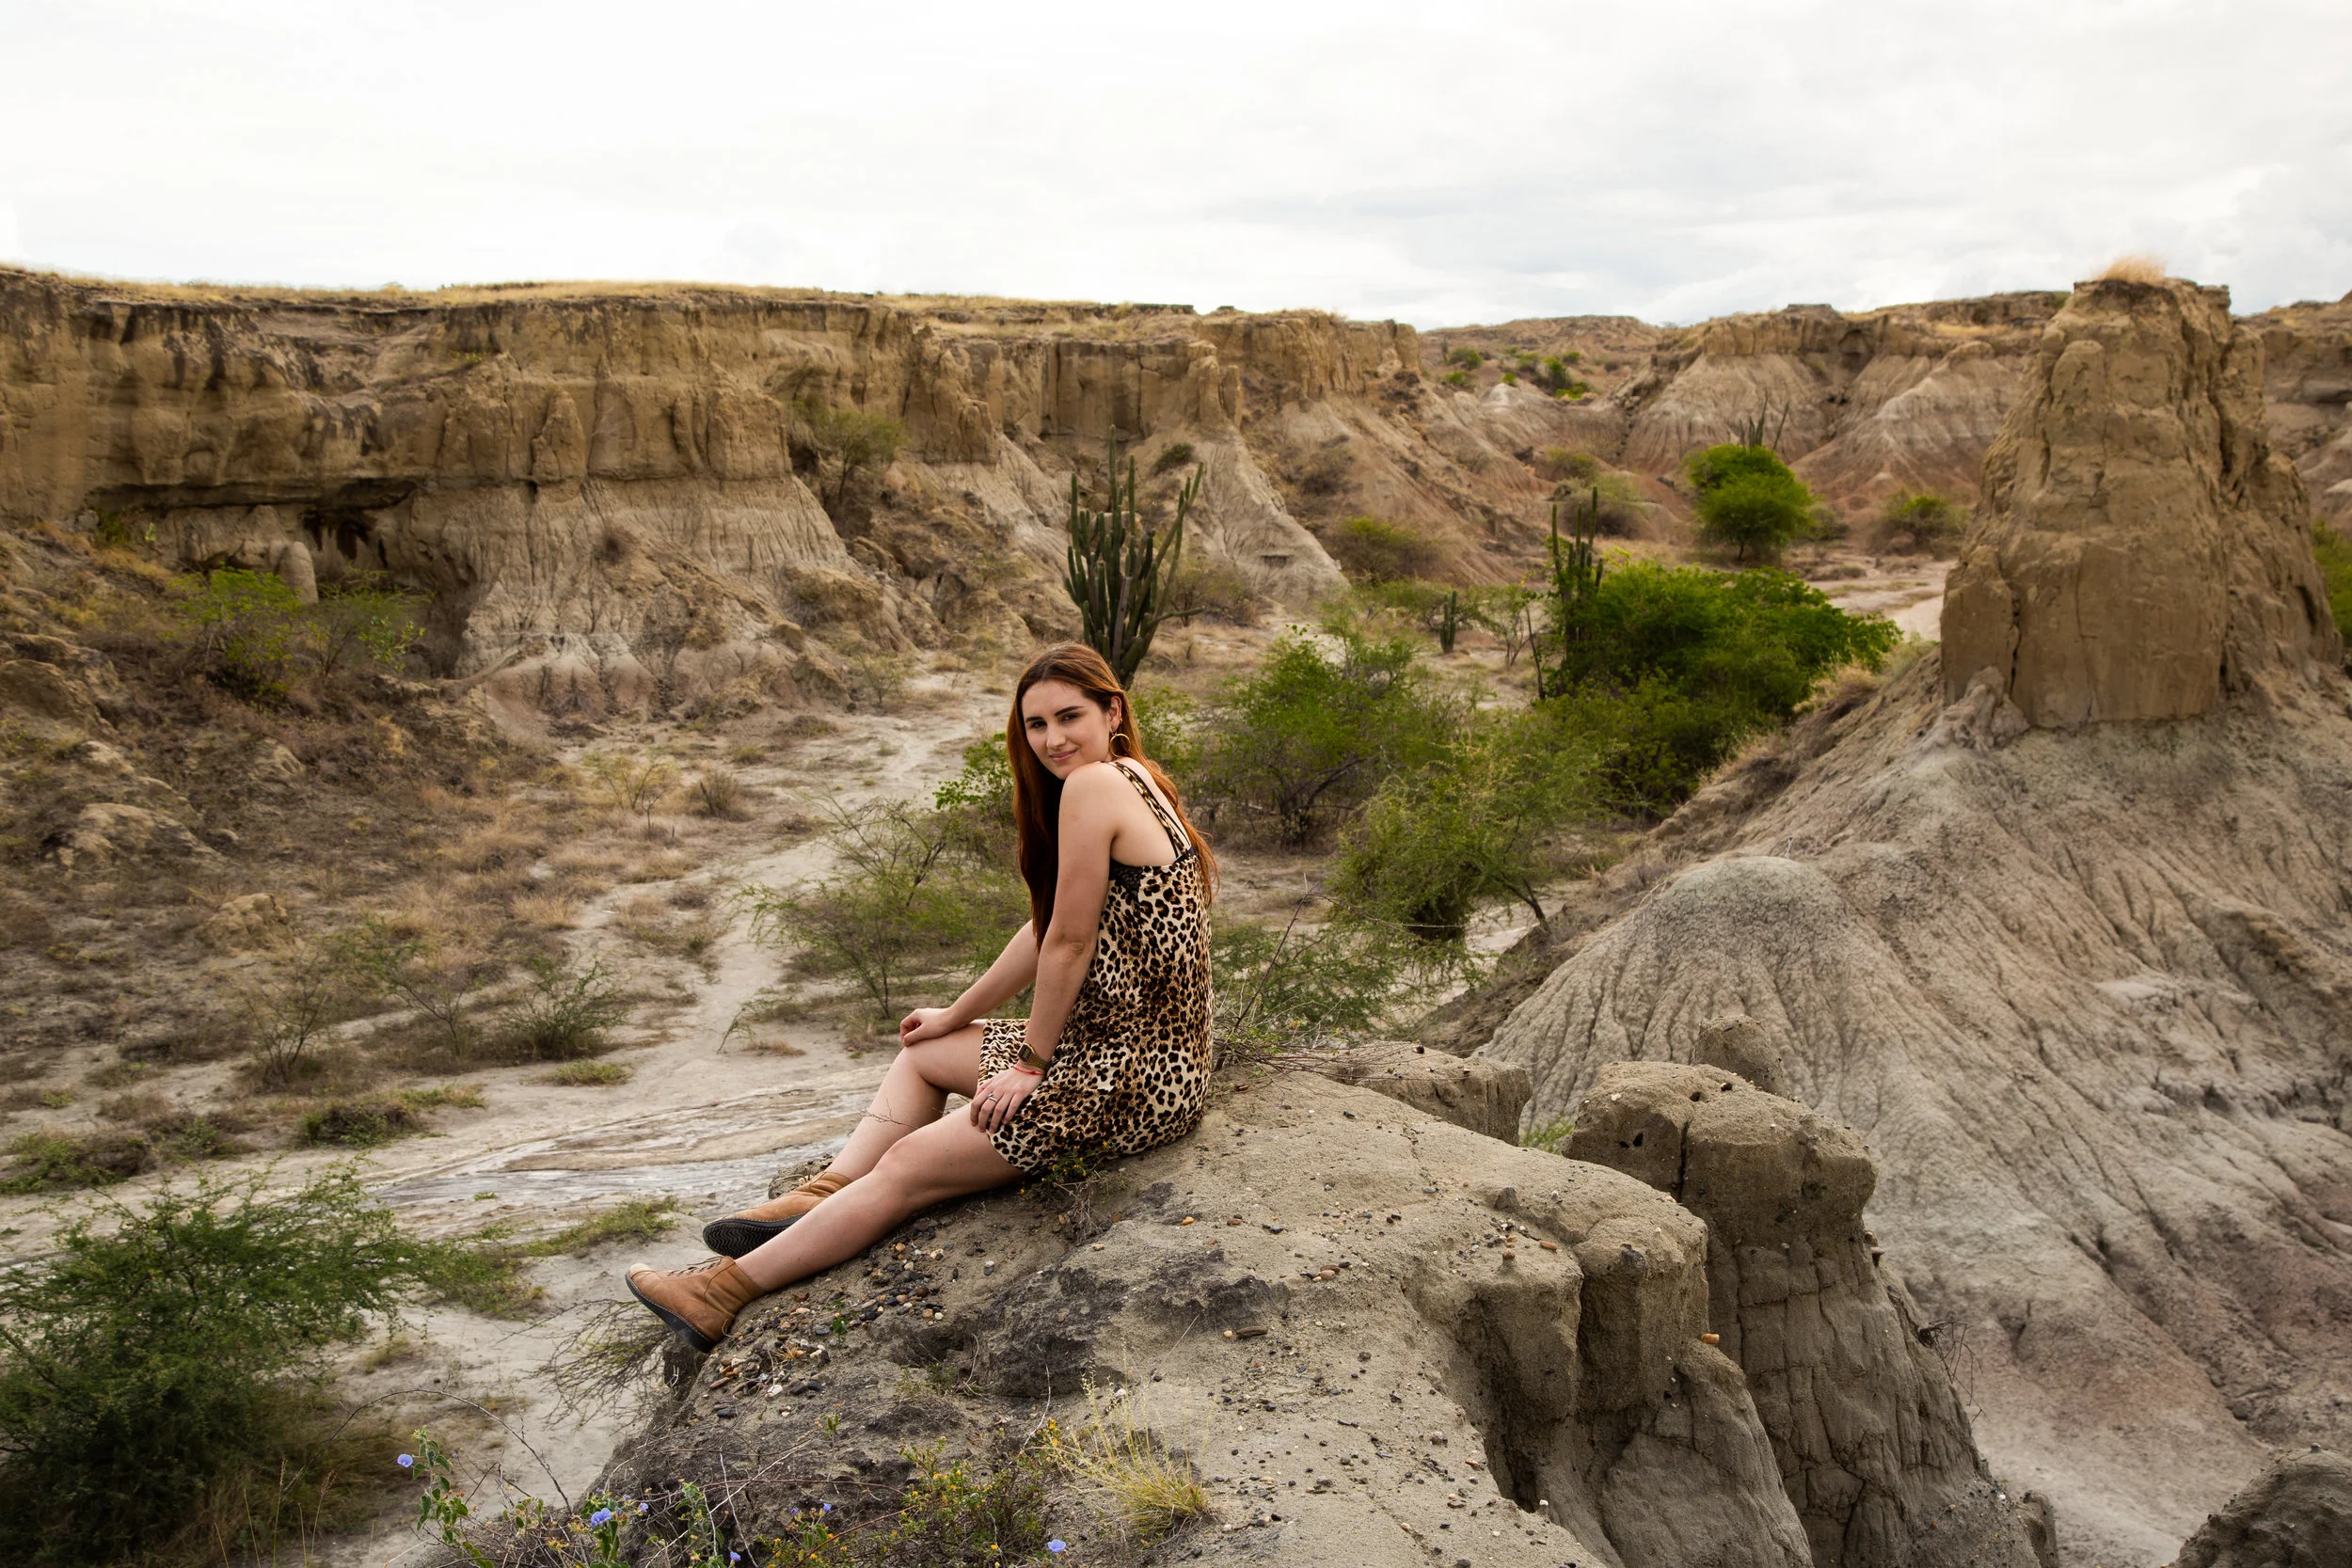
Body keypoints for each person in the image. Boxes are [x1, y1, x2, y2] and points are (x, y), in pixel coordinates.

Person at [624, 642, 1217, 1353]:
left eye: (1069, 716)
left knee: (906, 1167)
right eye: (1035, 725)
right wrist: (956, 1015)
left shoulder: (1092, 788)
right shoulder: (1137, 776)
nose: (1053, 739)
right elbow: (1046, 931)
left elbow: (1068, 945)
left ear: (1111, 709)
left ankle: (718, 1293)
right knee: (924, 1052)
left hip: (1124, 1081)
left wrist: (1030, 1062)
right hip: (1142, 1058)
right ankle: (827, 1191)